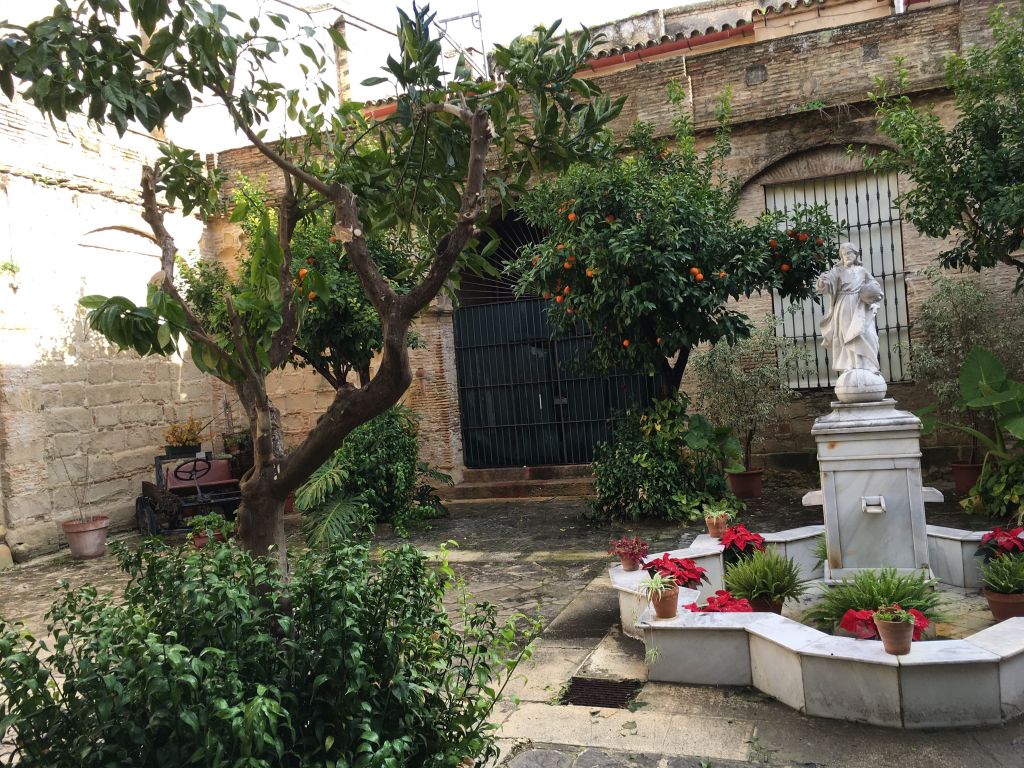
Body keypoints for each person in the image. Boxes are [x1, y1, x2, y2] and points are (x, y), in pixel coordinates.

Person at [816, 242, 883, 374]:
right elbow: (826, 285)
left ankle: (870, 365)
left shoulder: (862, 271)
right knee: (846, 336)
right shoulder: (837, 271)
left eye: (849, 253)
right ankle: (850, 365)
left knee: (867, 334)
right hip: (844, 304)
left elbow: (874, 284)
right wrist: (822, 282)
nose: (847, 256)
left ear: (855, 254)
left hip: (860, 304)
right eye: (844, 254)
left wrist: (874, 293)